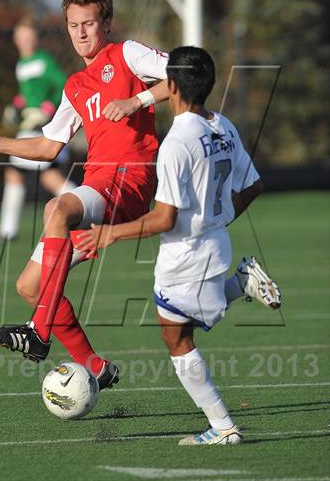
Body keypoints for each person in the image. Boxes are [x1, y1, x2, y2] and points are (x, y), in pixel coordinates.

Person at [0, 0, 171, 389]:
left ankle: (38, 334)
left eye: (89, 23)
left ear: (106, 23)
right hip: (99, 185)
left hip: (130, 180)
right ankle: (96, 367)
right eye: (73, 25)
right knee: (29, 286)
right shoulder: (75, 85)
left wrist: (136, 101)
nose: (81, 33)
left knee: (57, 208)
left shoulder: (126, 54)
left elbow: (184, 72)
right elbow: (49, 145)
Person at [77, 46, 281, 444]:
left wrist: (109, 233)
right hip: (215, 245)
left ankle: (223, 427)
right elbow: (253, 185)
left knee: (177, 338)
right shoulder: (223, 125)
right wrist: (218, 219)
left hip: (184, 255)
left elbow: (164, 218)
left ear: (171, 85)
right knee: (184, 325)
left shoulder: (175, 144)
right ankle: (241, 282)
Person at [0, 17, 76, 246]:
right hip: (28, 125)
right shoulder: (22, 63)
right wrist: (18, 104)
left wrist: (49, 106)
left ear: (35, 38)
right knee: (41, 175)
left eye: (28, 36)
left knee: (29, 173)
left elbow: (64, 85)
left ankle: (90, 211)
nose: (23, 40)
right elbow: (30, 93)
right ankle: (8, 229)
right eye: (20, 36)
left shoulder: (43, 60)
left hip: (42, 126)